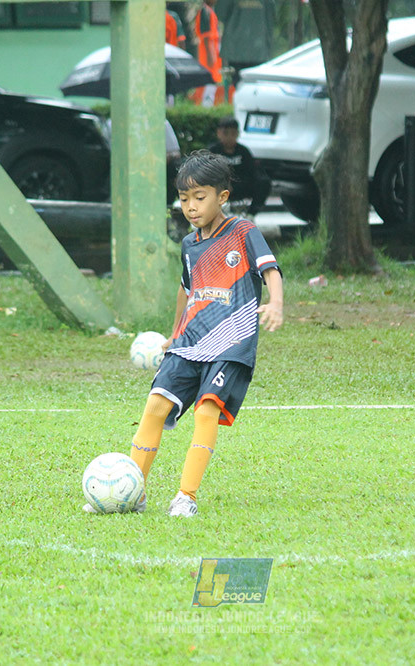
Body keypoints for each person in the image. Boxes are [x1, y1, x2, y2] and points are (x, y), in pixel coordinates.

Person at [85, 150, 283, 517]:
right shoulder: (190, 245)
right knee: (155, 407)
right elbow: (186, 289)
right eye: (183, 198)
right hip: (190, 343)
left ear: (222, 196)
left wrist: (276, 304)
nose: (190, 206)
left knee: (206, 411)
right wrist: (175, 332)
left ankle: (186, 497)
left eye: (199, 197)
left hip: (231, 345)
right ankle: (135, 493)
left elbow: (270, 270)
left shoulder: (243, 232)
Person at [208, 116, 270, 219]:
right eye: (225, 133)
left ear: (237, 134)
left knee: (263, 182)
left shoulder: (243, 152)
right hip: (220, 186)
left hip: (240, 185)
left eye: (233, 133)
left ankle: (250, 215)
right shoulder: (213, 151)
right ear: (219, 133)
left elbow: (253, 172)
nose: (229, 137)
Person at [215, 0, 275, 96]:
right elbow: (271, 18)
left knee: (239, 85)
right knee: (256, 86)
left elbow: (220, 14)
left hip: (236, 50)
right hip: (259, 51)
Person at [192, 0, 223, 106]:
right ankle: (205, 106)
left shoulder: (209, 11)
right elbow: (206, 36)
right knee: (209, 81)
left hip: (212, 53)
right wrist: (211, 56)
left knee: (212, 81)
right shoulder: (205, 12)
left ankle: (206, 104)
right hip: (208, 55)